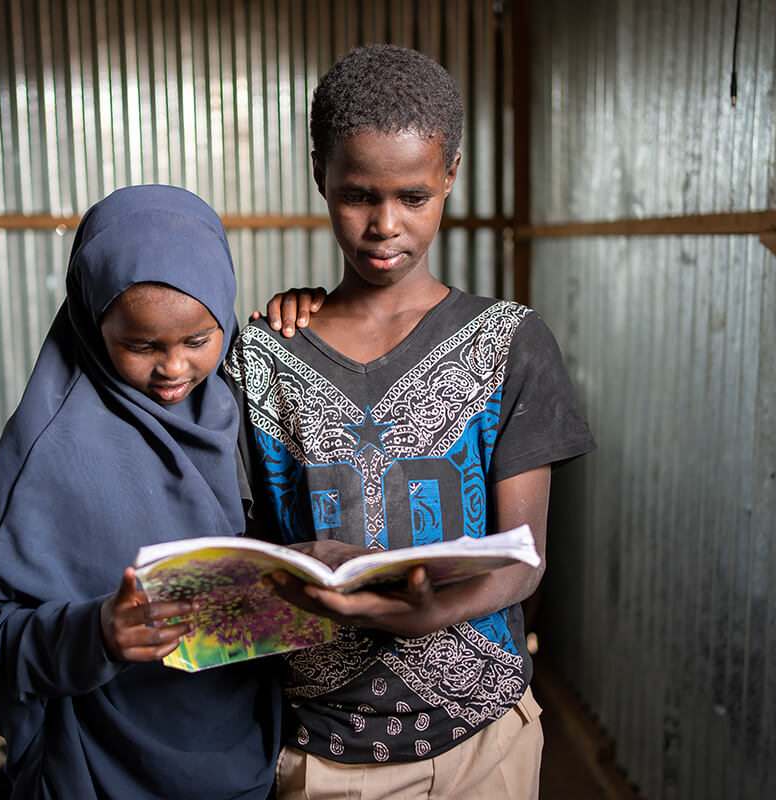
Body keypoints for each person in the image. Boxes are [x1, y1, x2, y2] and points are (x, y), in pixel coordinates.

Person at [225, 44, 597, 799]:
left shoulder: (509, 344)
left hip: (482, 742)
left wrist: (439, 609)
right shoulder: (263, 356)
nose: (384, 225)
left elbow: (524, 559)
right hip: (322, 750)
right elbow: (238, 555)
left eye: (414, 197)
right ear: (318, 174)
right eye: (357, 194)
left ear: (450, 176)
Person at [0, 184, 281, 799]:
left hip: (248, 747)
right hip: (100, 766)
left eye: (198, 340)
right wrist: (96, 632)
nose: (174, 369)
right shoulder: (49, 446)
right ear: (91, 319)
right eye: (142, 345)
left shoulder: (255, 394)